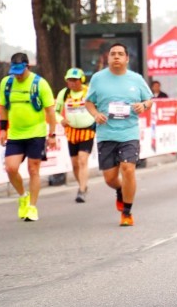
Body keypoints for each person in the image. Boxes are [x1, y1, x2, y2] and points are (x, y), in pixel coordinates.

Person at [84, 42, 153, 226]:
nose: (116, 56)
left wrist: (143, 105)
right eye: (113, 53)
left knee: (128, 169)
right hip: (106, 134)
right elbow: (89, 102)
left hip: (129, 133)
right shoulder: (98, 78)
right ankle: (121, 190)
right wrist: (95, 114)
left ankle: (127, 212)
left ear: (127, 58)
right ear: (108, 58)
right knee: (110, 178)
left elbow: (149, 100)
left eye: (120, 54)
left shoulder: (136, 79)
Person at [0, 53, 58, 222]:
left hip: (36, 133)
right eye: (14, 72)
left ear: (28, 67)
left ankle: (32, 207)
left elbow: (50, 111)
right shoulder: (6, 83)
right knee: (11, 168)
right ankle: (23, 195)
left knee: (33, 170)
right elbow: (3, 108)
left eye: (20, 71)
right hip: (16, 134)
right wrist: (2, 130)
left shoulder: (40, 84)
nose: (17, 75)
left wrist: (52, 134)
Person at [55, 67, 95, 202]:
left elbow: (99, 106)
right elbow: (55, 111)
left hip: (87, 130)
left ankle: (82, 190)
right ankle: (82, 185)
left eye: (75, 80)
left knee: (83, 159)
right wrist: (61, 120)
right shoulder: (64, 93)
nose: (72, 83)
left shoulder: (89, 92)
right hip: (71, 131)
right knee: (75, 164)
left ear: (81, 80)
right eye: (69, 80)